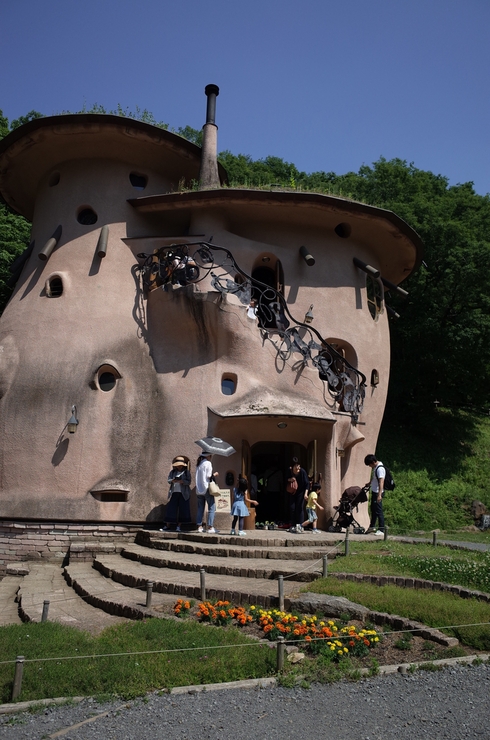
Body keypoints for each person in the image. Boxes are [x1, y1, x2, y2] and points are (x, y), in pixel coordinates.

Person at [161, 456, 192, 532]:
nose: (179, 466)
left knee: (183, 509)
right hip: (174, 492)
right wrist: (173, 481)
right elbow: (169, 480)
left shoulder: (186, 472)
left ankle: (179, 526)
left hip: (183, 493)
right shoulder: (173, 472)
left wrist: (183, 481)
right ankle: (167, 525)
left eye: (180, 465)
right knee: (171, 508)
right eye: (178, 465)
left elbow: (189, 481)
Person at [195, 452, 218, 533]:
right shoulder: (208, 463)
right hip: (207, 488)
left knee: (200, 508)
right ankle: (210, 527)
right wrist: (214, 474)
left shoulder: (198, 464)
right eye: (210, 455)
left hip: (199, 489)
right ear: (208, 456)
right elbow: (209, 476)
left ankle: (199, 526)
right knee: (211, 507)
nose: (211, 456)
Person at [364, 454, 385, 536]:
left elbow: (381, 481)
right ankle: (372, 526)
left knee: (379, 511)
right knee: (373, 510)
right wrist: (369, 484)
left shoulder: (380, 469)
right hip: (374, 491)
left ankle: (381, 529)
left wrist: (379, 494)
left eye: (369, 464)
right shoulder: (376, 468)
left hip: (378, 492)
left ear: (373, 462)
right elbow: (375, 478)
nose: (369, 466)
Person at [288, 457, 309, 533]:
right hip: (292, 492)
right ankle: (293, 525)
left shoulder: (302, 472)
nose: (297, 467)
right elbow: (285, 479)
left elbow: (307, 484)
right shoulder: (289, 471)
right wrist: (290, 479)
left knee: (299, 508)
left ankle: (300, 525)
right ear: (292, 466)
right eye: (296, 465)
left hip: (301, 492)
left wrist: (305, 494)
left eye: (298, 465)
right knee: (292, 508)